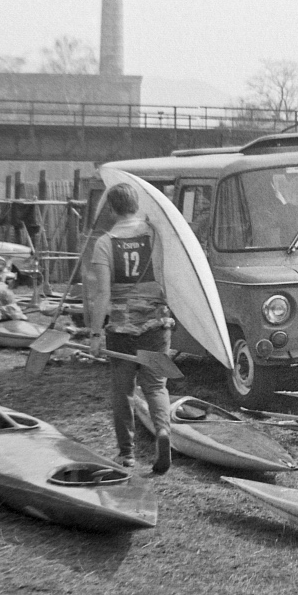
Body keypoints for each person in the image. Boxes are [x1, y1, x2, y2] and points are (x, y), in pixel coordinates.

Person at [88, 183, 173, 474]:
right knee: (156, 385)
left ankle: (126, 455)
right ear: (137, 205)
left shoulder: (104, 243)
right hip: (155, 324)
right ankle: (162, 432)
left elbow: (102, 296)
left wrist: (95, 334)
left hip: (121, 331)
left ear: (111, 209)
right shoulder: (155, 234)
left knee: (123, 391)